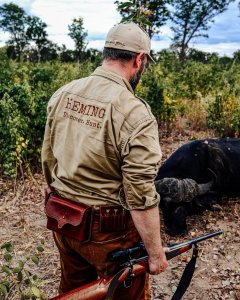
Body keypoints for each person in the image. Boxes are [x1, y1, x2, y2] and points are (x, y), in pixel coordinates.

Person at [41, 22, 168, 299]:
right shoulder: (136, 114)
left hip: (63, 221)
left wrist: (55, 191)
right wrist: (156, 254)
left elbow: (48, 158)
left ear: (106, 53)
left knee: (74, 292)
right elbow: (140, 194)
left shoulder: (63, 93)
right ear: (139, 59)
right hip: (110, 236)